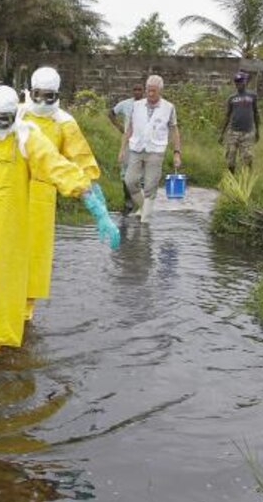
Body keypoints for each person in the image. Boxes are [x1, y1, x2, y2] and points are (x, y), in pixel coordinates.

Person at [0, 85, 119, 358]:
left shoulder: (29, 141)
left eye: (3, 119)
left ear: (14, 116)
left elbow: (60, 169)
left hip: (6, 230)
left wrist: (96, 208)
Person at [20, 66, 106, 321]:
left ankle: (25, 314)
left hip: (42, 196)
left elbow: (81, 158)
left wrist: (94, 197)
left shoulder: (65, 123)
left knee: (35, 254)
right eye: (38, 95)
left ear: (57, 95)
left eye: (49, 96)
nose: (42, 102)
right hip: (11, 190)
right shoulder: (17, 115)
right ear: (30, 91)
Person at [120, 74, 182, 224]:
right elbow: (129, 129)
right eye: (148, 90)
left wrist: (176, 153)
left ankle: (144, 222)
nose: (150, 93)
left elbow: (174, 131)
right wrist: (122, 149)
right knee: (130, 181)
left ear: (160, 91)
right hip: (136, 148)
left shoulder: (169, 107)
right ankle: (143, 207)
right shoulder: (136, 106)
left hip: (156, 150)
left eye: (154, 91)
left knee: (150, 186)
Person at [108, 83, 144, 214]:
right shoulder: (126, 104)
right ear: (132, 91)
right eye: (135, 89)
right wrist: (119, 128)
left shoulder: (148, 105)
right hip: (128, 142)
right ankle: (127, 201)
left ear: (143, 91)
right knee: (125, 172)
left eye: (140, 89)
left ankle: (141, 204)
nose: (137, 92)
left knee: (142, 173)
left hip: (144, 143)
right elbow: (111, 113)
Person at [218, 72, 259, 173]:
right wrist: (222, 133)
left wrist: (257, 131)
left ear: (245, 82)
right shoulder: (231, 98)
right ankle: (231, 179)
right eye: (236, 82)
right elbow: (227, 115)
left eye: (241, 81)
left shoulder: (252, 96)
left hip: (247, 132)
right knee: (230, 158)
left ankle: (247, 179)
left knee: (247, 158)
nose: (239, 84)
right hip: (233, 132)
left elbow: (256, 113)